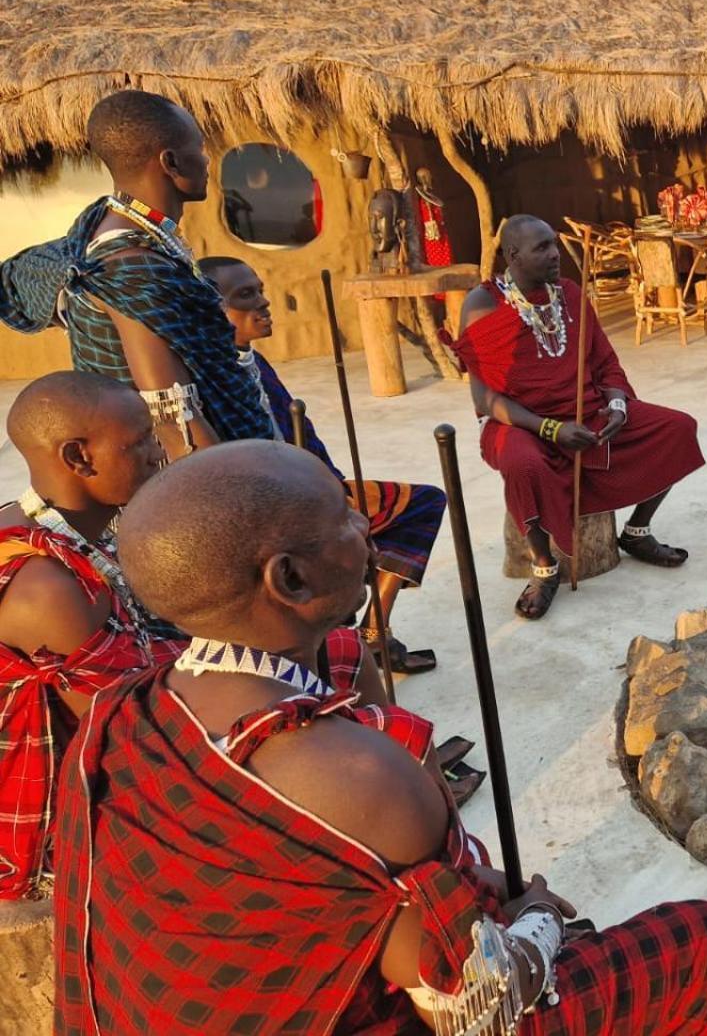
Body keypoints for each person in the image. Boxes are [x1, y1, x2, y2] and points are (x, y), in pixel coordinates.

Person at [53, 441, 707, 1035]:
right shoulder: (350, 775)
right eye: (344, 516)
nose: (367, 529)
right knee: (702, 940)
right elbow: (470, 1004)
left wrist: (469, 883)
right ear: (292, 578)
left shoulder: (125, 710)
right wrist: (533, 924)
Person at [446, 215, 704, 620]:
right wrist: (551, 428)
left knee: (676, 428)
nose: (555, 255)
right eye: (542, 248)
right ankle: (544, 565)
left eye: (554, 244)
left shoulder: (568, 292)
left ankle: (636, 532)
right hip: (518, 423)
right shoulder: (484, 303)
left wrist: (617, 404)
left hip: (586, 413)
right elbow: (485, 397)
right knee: (522, 462)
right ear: (512, 255)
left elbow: (604, 363)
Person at [199, 255, 445, 675]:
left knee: (422, 504)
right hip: (272, 516)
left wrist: (333, 490)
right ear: (209, 310)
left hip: (313, 489)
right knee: (326, 563)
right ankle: (346, 656)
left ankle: (376, 631)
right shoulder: (210, 381)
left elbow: (303, 434)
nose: (263, 303)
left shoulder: (253, 361)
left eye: (260, 290)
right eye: (245, 296)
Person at [0, 90, 275, 460]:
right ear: (172, 162)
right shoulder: (131, 268)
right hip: (178, 482)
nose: (207, 159)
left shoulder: (108, 229)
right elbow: (174, 419)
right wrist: (241, 493)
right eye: (200, 146)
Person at [0, 371, 180, 900]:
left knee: (325, 655)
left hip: (122, 714)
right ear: (79, 458)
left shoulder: (80, 531)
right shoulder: (49, 588)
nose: (157, 452)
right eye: (140, 440)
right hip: (58, 815)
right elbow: (128, 742)